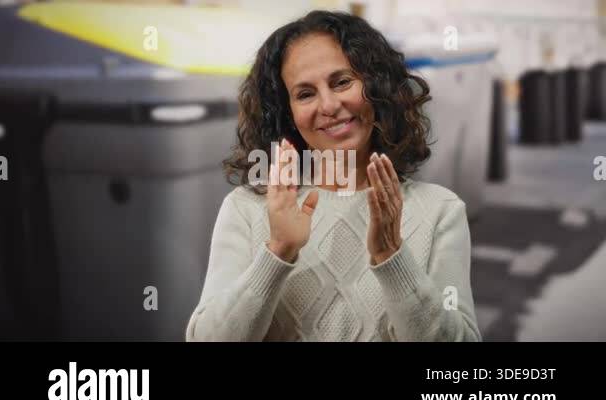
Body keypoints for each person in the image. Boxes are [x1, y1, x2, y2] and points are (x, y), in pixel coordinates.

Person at [186, 10, 481, 342]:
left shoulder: (441, 211)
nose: (328, 105)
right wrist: (278, 251)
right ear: (288, 114)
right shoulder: (246, 209)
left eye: (342, 82)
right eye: (305, 94)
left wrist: (392, 257)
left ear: (377, 86)